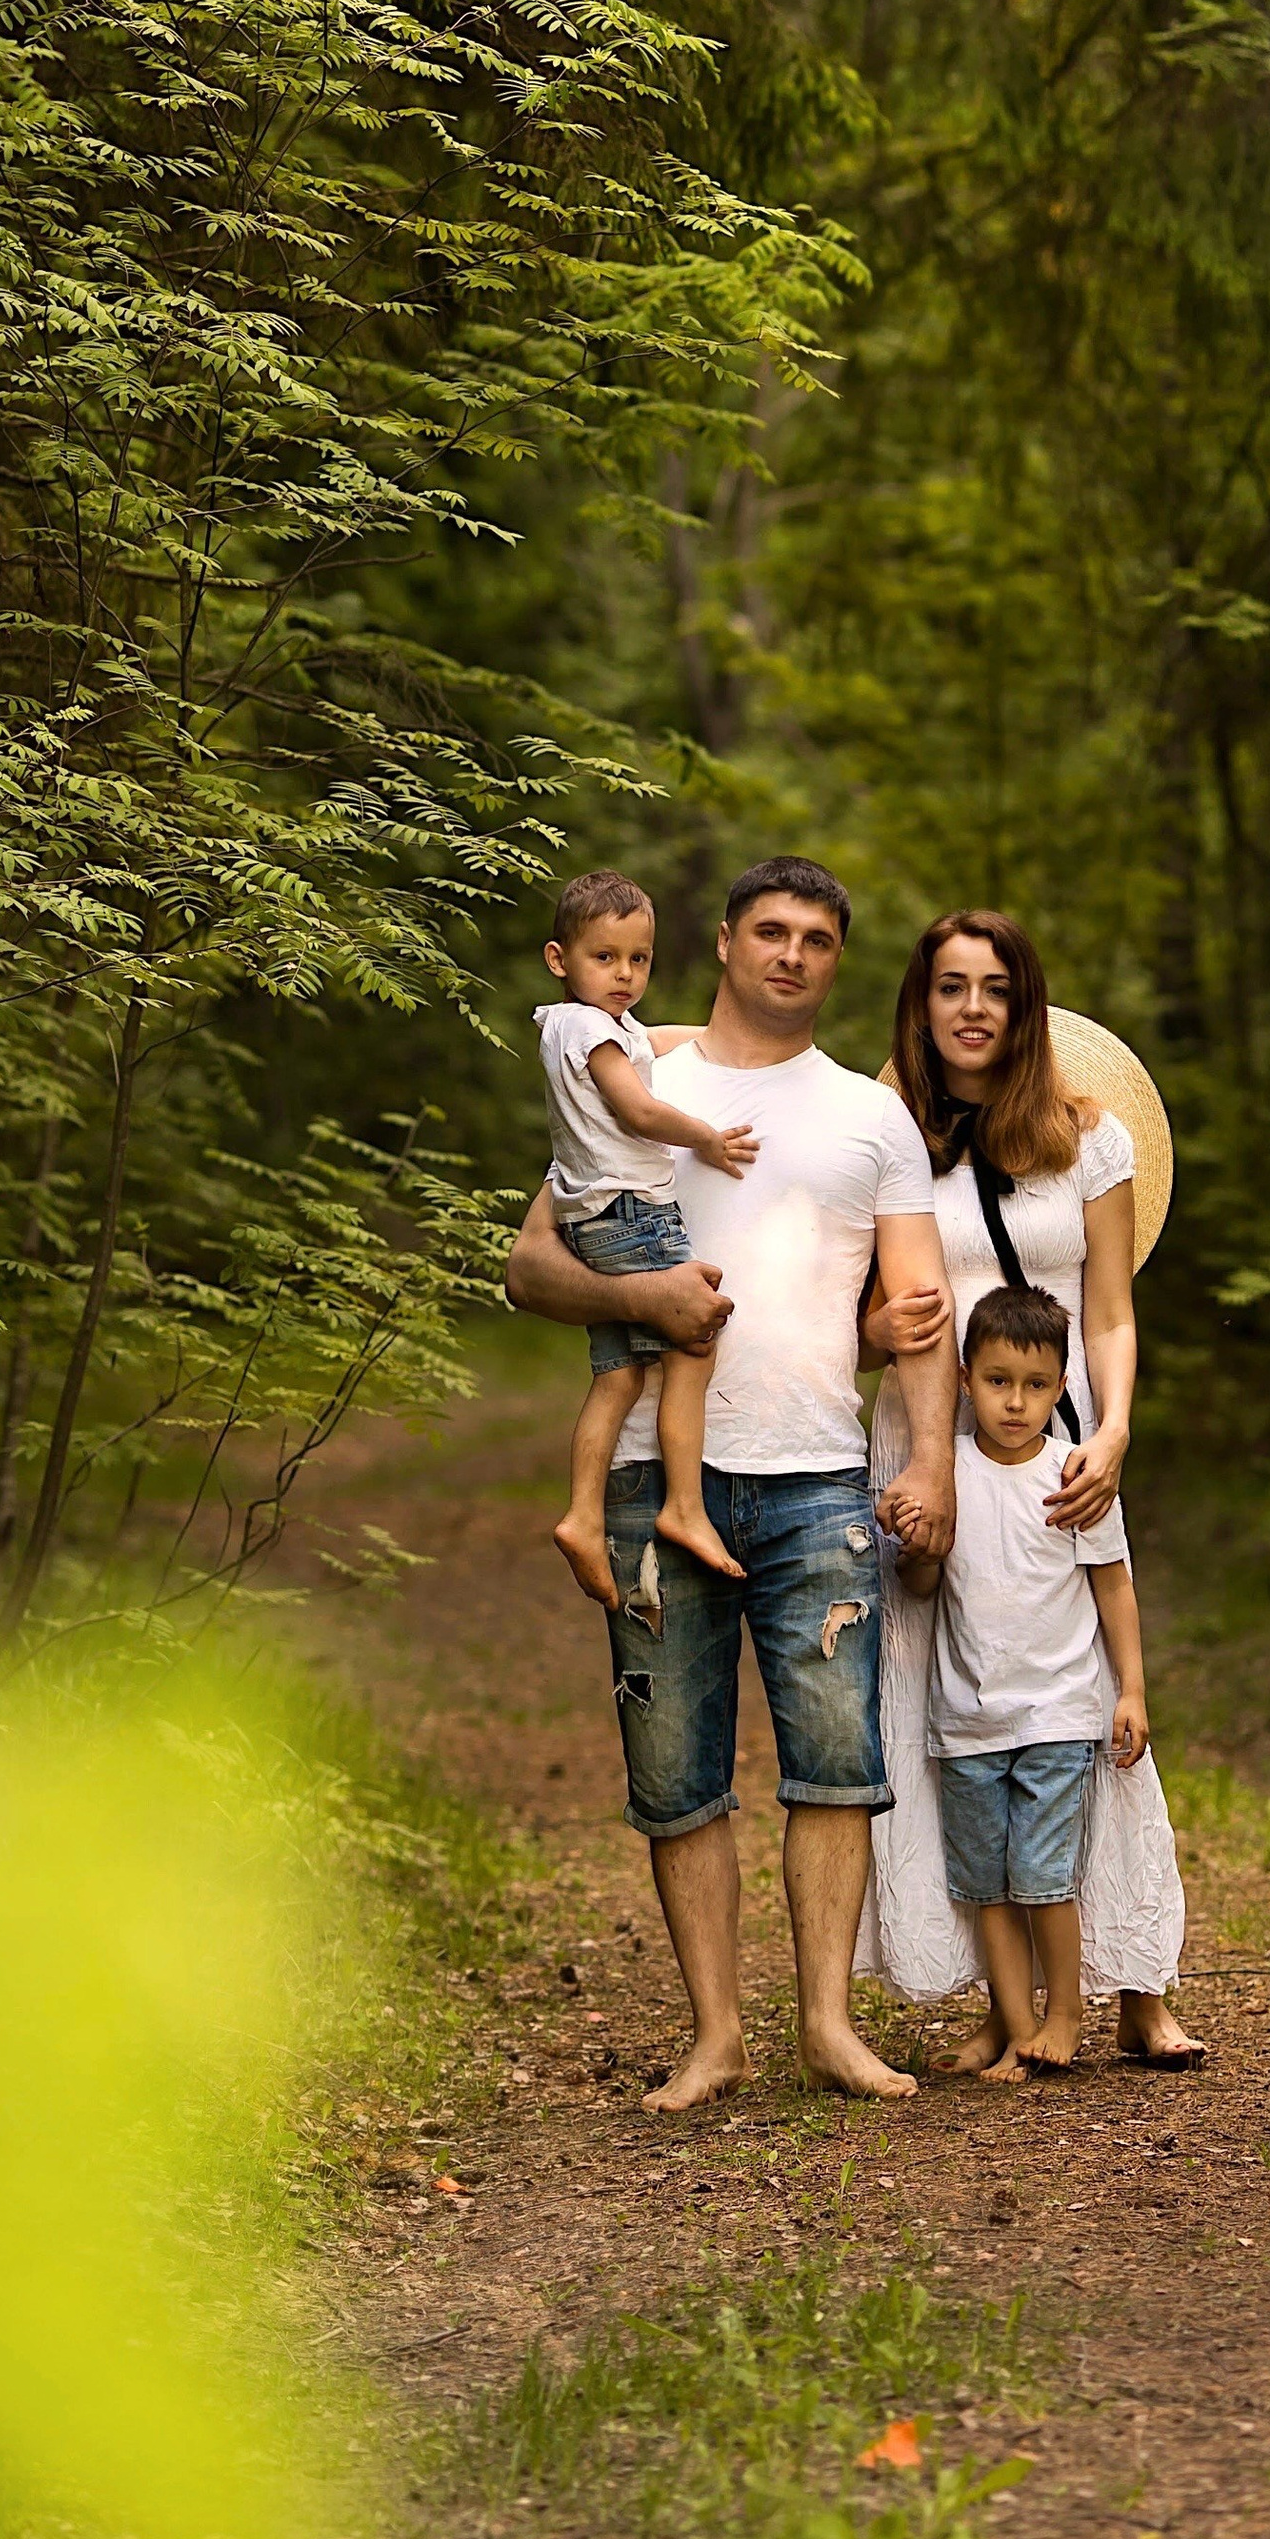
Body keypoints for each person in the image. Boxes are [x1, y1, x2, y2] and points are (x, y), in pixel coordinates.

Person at [505, 855, 957, 2111]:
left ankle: (826, 2027)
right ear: (723, 940)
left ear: (835, 959)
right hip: (656, 1480)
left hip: (816, 1477)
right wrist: (635, 1297)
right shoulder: (644, 1076)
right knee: (676, 1774)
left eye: (818, 936)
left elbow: (917, 1309)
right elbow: (528, 1270)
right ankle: (714, 2036)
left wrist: (930, 1460)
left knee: (835, 1763)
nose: (793, 954)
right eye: (772, 929)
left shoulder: (871, 1119)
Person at [863, 905, 1201, 2067]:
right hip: (928, 1452)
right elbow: (856, 1318)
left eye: (992, 988)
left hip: (1055, 1449)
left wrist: (1111, 1436)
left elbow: (1108, 1308)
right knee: (947, 1721)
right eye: (949, 987)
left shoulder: (1084, 1138)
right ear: (922, 1004)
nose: (970, 1009)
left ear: (1023, 1004)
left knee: (1092, 1709)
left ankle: (1136, 1985)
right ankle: (1001, 2005)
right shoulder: (889, 1139)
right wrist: (882, 1328)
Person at [892, 1284, 1155, 2079]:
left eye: (1036, 1386)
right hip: (968, 1719)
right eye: (999, 1381)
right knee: (988, 1888)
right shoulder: (949, 1475)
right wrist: (918, 1544)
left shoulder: (1075, 1478)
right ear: (966, 1378)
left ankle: (1065, 2014)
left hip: (1055, 1715)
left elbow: (1114, 1587)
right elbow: (921, 1587)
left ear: (1062, 1386)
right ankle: (1015, 2028)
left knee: (1044, 1880)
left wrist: (1131, 1690)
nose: (1016, 1402)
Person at [534, 866, 754, 1604]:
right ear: (560, 959)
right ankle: (685, 1507)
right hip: (633, 1211)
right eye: (605, 958)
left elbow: (650, 1043)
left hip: (590, 1216)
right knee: (693, 1339)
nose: (625, 974)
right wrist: (707, 1140)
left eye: (639, 959)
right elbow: (639, 1110)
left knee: (618, 1376)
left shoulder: (582, 1024)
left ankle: (581, 1516)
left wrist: (726, 1038)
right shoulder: (592, 1030)